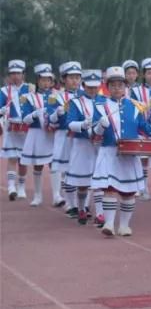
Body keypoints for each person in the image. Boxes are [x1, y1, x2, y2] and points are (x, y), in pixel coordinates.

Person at [90, 66, 151, 237]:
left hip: (129, 154)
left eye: (120, 85)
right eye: (113, 85)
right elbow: (93, 133)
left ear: (125, 86)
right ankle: (109, 223)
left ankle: (124, 225)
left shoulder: (135, 106)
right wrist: (100, 126)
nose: (117, 88)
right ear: (107, 87)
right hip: (109, 152)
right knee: (109, 188)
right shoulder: (100, 106)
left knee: (128, 191)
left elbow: (145, 128)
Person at [64, 70, 102, 224]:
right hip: (82, 144)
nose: (92, 90)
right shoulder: (75, 102)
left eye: (95, 87)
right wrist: (82, 125)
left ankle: (100, 213)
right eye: (89, 87)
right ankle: (81, 208)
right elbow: (69, 123)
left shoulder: (104, 101)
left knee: (100, 180)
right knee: (83, 183)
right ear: (84, 86)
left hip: (99, 145)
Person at [19, 64, 57, 206]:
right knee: (38, 165)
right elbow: (25, 119)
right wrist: (34, 114)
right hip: (36, 134)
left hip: (52, 134)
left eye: (48, 80)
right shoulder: (28, 97)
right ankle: (37, 195)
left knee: (54, 164)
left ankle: (57, 195)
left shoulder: (55, 96)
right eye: (43, 80)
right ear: (37, 80)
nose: (46, 83)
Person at [129, 58, 151, 201]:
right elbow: (134, 108)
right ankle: (143, 188)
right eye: (149, 73)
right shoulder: (136, 90)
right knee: (143, 159)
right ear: (143, 74)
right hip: (142, 128)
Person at [50, 62, 83, 213]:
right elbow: (49, 120)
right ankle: (67, 201)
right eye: (71, 77)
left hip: (80, 136)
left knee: (80, 167)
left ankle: (80, 202)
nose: (75, 81)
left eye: (77, 77)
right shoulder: (56, 97)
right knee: (64, 168)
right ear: (64, 79)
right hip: (63, 135)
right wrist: (56, 114)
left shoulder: (84, 95)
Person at [2, 60, 30, 200]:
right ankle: (11, 187)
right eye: (12, 73)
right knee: (12, 157)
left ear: (23, 74)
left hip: (26, 129)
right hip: (11, 129)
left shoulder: (30, 89)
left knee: (23, 160)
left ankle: (22, 186)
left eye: (18, 73)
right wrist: (2, 110)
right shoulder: (4, 91)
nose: (15, 76)